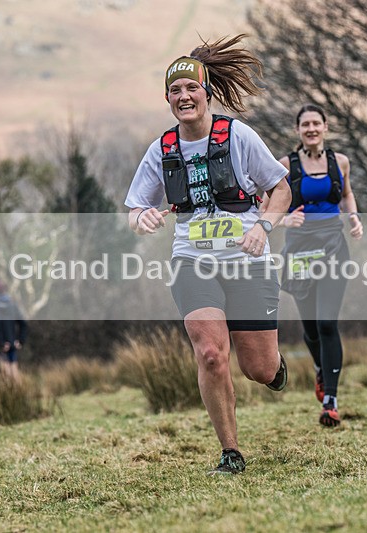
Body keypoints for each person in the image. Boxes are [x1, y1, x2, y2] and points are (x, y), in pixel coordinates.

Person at [124, 34, 292, 475]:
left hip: (247, 259)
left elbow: (280, 188)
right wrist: (141, 218)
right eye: (175, 91)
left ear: (207, 92)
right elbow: (135, 206)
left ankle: (275, 369)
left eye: (191, 88)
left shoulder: (238, 136)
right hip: (192, 261)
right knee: (212, 355)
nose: (184, 96)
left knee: (257, 367)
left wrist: (264, 226)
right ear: (167, 99)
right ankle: (231, 451)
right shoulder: (161, 150)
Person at [266, 104, 363, 427]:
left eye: (316, 123)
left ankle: (331, 402)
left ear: (325, 126)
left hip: (334, 245)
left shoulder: (340, 162)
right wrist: (285, 220)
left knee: (326, 323)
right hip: (300, 249)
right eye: (305, 124)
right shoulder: (285, 165)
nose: (311, 129)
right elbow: (265, 207)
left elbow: (346, 195)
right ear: (298, 130)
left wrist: (353, 217)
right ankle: (321, 369)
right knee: (310, 327)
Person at [0, 280, 28, 379]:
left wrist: (2, 342)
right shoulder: (12, 305)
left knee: (5, 373)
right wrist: (20, 340)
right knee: (14, 367)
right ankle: (18, 392)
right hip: (13, 342)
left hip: (0, 344)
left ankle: (10, 392)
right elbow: (23, 323)